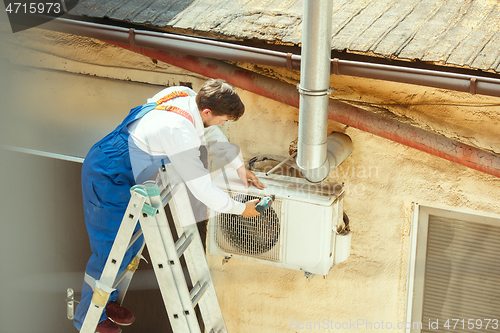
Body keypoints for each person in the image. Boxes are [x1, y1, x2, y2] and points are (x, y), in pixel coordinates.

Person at [74, 79, 265, 333]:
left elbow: (212, 133)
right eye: (224, 119)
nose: (224, 123)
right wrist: (241, 209)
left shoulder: (185, 95)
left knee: (128, 244)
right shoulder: (180, 131)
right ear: (208, 111)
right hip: (108, 174)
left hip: (129, 167)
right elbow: (202, 189)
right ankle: (88, 316)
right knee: (108, 251)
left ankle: (106, 301)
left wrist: (239, 167)